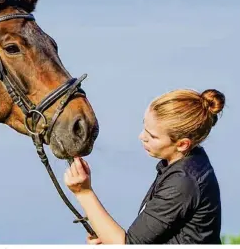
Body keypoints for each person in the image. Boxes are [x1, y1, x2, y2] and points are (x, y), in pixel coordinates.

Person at [64, 88, 225, 244]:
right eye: (144, 127)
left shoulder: (183, 182)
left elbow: (128, 245)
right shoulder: (187, 161)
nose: (142, 137)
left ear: (182, 144)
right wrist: (108, 238)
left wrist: (83, 192)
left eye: (152, 136)